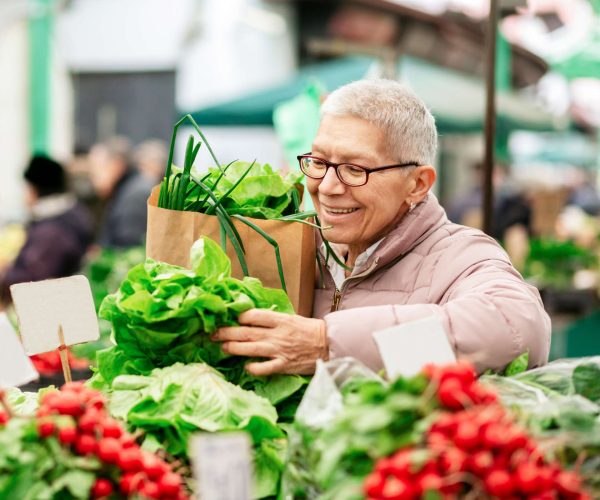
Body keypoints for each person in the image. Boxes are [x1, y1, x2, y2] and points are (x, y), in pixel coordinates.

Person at [211, 79, 550, 376]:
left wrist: (327, 345)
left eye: (355, 169)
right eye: (318, 162)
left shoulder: (458, 255)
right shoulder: (286, 242)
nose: (327, 186)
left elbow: (519, 330)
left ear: (418, 183)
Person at [0, 155, 93, 303]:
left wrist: (5, 274)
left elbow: (30, 280)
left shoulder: (51, 232)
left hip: (51, 306)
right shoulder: (71, 213)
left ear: (34, 190)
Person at [89, 137, 157, 248]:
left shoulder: (134, 196)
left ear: (116, 165)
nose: (93, 179)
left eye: (95, 171)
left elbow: (128, 247)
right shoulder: (128, 189)